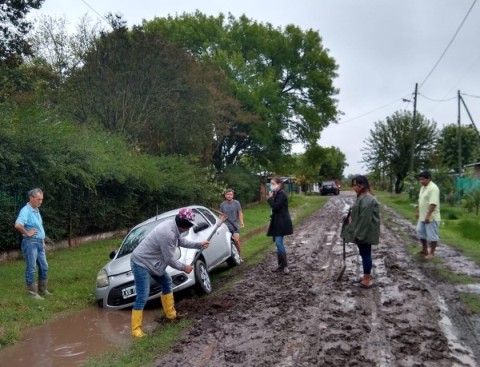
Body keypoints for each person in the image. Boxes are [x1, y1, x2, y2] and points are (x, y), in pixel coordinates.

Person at [130, 207, 210, 338]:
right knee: (143, 294)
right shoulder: (167, 233)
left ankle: (171, 314)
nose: (190, 228)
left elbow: (180, 241)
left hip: (154, 262)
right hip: (141, 263)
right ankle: (136, 330)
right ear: (184, 224)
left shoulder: (174, 226)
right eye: (189, 225)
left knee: (167, 282)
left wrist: (198, 244)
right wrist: (184, 267)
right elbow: (170, 259)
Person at [341, 175, 380, 288]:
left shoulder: (368, 199)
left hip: (365, 232)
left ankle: (367, 279)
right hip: (362, 231)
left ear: (361, 185)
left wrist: (359, 235)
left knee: (366, 254)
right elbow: (357, 213)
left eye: (355, 185)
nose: (354, 188)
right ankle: (365, 277)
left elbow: (365, 220)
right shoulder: (362, 197)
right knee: (364, 254)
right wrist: (348, 216)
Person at [14, 188, 51, 300]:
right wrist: (27, 233)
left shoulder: (36, 210)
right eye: (38, 199)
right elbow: (18, 225)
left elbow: (39, 227)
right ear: (31, 198)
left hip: (39, 243)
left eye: (42, 199)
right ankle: (32, 293)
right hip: (31, 243)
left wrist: (42, 240)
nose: (40, 202)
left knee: (44, 267)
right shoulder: (25, 211)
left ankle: (43, 289)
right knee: (31, 268)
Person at [267, 176, 293, 275]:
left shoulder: (281, 194)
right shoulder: (277, 193)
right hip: (276, 222)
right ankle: (281, 265)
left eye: (273, 184)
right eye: (271, 184)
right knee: (278, 243)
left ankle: (285, 265)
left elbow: (275, 206)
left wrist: (270, 198)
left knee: (278, 242)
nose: (271, 185)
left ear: (279, 184)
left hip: (282, 222)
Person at [416, 170, 441, 259]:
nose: (421, 181)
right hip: (422, 216)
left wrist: (428, 215)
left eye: (423, 179)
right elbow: (420, 201)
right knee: (420, 232)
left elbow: (433, 203)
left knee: (432, 235)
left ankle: (432, 253)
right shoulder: (423, 188)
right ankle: (424, 249)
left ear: (429, 178)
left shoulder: (433, 188)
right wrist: (418, 212)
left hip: (431, 217)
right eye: (420, 179)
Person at [220, 189, 245, 260]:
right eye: (228, 194)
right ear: (225, 195)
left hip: (235, 225)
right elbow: (221, 215)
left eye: (231, 194)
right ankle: (231, 257)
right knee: (228, 242)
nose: (229, 196)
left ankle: (239, 257)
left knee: (236, 240)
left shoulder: (236, 203)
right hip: (226, 226)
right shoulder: (222, 204)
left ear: (233, 195)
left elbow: (240, 213)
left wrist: (241, 222)